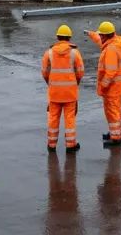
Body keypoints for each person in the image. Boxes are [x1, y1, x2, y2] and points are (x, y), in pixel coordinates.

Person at [41, 24, 85, 153]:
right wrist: (75, 83)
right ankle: (70, 145)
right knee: (70, 118)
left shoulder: (49, 53)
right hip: (70, 93)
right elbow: (80, 72)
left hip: (54, 93)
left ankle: (51, 145)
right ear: (69, 38)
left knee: (53, 118)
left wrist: (51, 84)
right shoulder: (74, 53)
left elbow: (44, 72)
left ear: (57, 37)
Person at [85, 21, 121, 146]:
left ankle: (115, 138)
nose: (100, 37)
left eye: (101, 35)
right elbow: (100, 41)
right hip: (117, 86)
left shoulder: (111, 50)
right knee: (117, 111)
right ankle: (118, 133)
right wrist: (91, 34)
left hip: (111, 88)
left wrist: (102, 86)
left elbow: (110, 72)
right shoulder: (114, 43)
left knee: (112, 112)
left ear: (106, 36)